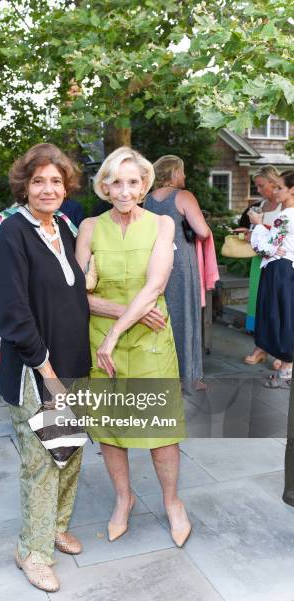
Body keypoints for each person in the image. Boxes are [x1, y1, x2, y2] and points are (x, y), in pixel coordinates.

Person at [76, 147, 191, 547]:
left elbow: (155, 285)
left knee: (161, 432)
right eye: (115, 182)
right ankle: (123, 500)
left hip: (149, 341)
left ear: (145, 185)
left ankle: (173, 502)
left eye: (133, 182)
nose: (124, 190)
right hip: (103, 340)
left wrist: (116, 331)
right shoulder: (89, 227)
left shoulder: (162, 224)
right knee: (111, 431)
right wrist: (128, 313)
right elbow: (75, 294)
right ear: (104, 186)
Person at [0, 143, 91, 593]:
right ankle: (31, 552)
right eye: (38, 181)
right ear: (24, 187)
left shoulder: (66, 227)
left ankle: (55, 527)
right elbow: (13, 311)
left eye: (56, 180)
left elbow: (73, 293)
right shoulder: (14, 232)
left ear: (66, 185)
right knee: (42, 463)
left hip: (73, 360)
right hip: (37, 370)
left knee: (69, 455)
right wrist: (47, 371)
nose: (48, 189)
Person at [144, 155, 210, 387]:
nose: (184, 176)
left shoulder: (148, 200)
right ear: (173, 173)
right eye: (181, 171)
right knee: (186, 315)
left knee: (161, 314)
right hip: (181, 263)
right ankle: (189, 377)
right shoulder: (183, 196)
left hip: (154, 261)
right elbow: (202, 231)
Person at [249, 171, 294, 389]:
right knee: (287, 316)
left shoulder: (285, 217)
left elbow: (265, 247)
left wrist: (257, 224)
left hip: (279, 270)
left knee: (279, 317)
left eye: (279, 188)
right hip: (288, 268)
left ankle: (285, 371)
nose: (275, 192)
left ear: (292, 190)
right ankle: (286, 368)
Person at [240, 166, 282, 366]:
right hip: (259, 262)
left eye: (260, 185)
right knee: (259, 304)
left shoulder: (286, 208)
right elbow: (256, 236)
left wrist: (260, 227)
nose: (257, 189)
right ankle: (261, 347)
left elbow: (283, 237)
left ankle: (281, 351)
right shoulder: (261, 206)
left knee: (279, 306)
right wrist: (248, 233)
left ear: (274, 184)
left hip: (280, 263)